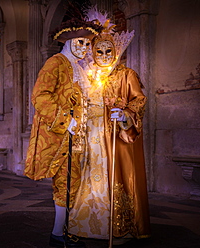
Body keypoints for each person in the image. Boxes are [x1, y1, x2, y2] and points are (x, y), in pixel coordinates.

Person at [68, 8, 151, 245]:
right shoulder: (87, 76)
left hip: (116, 138)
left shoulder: (127, 74)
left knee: (115, 177)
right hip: (91, 137)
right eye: (99, 51)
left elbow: (139, 100)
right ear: (92, 53)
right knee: (90, 179)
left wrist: (124, 114)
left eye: (108, 51)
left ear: (116, 51)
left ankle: (119, 224)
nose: (104, 55)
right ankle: (90, 223)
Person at [24, 17, 102, 248]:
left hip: (76, 137)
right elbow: (40, 96)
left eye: (88, 44)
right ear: (67, 42)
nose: (85, 48)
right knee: (64, 183)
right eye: (81, 42)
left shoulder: (78, 68)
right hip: (59, 137)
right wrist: (65, 120)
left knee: (72, 183)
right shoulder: (55, 63)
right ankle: (59, 233)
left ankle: (63, 230)